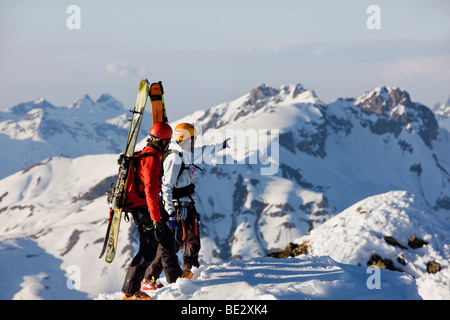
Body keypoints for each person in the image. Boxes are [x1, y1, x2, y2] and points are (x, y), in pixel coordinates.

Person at [121, 122, 191, 300]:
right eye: (167, 142)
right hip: (144, 209)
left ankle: (174, 277)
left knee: (168, 240)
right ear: (163, 142)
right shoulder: (151, 160)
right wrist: (156, 219)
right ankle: (129, 292)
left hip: (148, 206)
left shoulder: (146, 154)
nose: (168, 145)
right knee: (148, 251)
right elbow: (151, 191)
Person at [141, 122, 201, 290]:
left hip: (186, 203)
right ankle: (149, 278)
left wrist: (221, 146)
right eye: (192, 138)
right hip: (177, 206)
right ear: (185, 139)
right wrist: (170, 213)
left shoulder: (186, 153)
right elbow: (166, 187)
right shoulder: (174, 158)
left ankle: (190, 273)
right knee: (172, 245)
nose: (194, 141)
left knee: (193, 240)